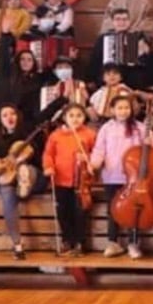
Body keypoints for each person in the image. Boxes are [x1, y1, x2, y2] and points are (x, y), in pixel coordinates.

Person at [90, 95, 153, 260]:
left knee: (134, 211)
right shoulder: (106, 128)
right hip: (112, 175)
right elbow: (99, 149)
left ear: (131, 110)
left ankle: (133, 243)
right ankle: (113, 242)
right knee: (112, 210)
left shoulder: (139, 127)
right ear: (112, 110)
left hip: (133, 178)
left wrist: (151, 141)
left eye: (126, 108)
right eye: (120, 108)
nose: (123, 111)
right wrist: (94, 163)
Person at [0, 103, 48, 260]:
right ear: (0, 120)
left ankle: (24, 178)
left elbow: (39, 158)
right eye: (5, 115)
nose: (9, 117)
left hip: (36, 178)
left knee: (26, 168)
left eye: (12, 113)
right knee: (6, 195)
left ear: (18, 115)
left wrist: (24, 157)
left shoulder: (29, 132)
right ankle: (17, 244)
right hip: (11, 180)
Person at [42, 103, 97, 256]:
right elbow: (48, 154)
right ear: (64, 117)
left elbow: (97, 153)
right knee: (63, 212)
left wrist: (87, 159)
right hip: (60, 180)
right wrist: (49, 167)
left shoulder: (89, 134)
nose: (75, 119)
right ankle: (67, 240)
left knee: (80, 213)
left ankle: (80, 242)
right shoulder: (56, 135)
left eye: (79, 115)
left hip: (81, 181)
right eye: (71, 116)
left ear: (84, 117)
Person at [90, 8, 151, 90]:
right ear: (113, 22)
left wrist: (144, 52)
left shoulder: (138, 37)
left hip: (130, 73)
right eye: (118, 19)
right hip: (110, 72)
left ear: (129, 21)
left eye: (125, 19)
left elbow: (145, 61)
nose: (121, 22)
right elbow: (95, 59)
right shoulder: (104, 38)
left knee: (138, 75)